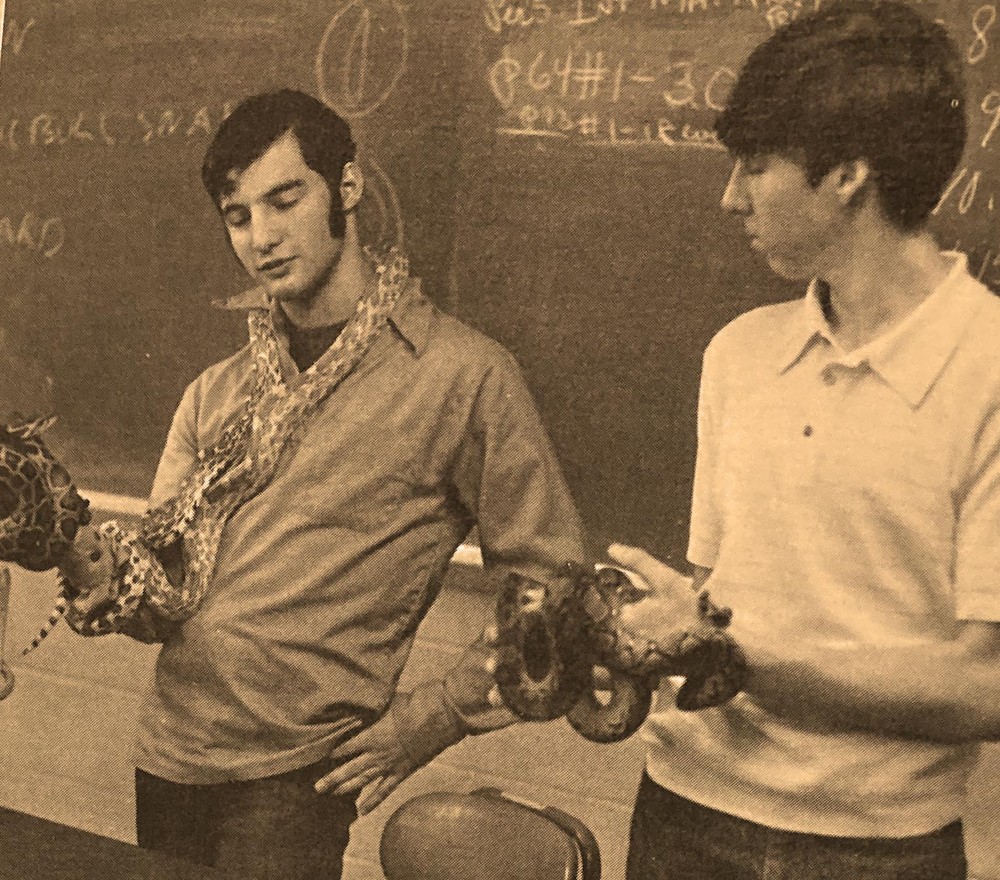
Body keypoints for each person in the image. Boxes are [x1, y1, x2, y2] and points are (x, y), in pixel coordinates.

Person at [62, 88, 581, 880]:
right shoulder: (217, 392)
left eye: (285, 200)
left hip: (294, 777)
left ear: (347, 187)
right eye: (238, 216)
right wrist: (90, 566)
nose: (262, 237)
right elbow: (161, 598)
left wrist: (435, 716)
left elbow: (553, 584)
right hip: (169, 752)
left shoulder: (461, 376)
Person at [605, 2, 1000, 878]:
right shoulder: (739, 354)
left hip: (875, 848)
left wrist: (737, 658)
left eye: (755, 166)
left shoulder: (990, 372)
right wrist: (637, 644)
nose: (730, 197)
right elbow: (714, 607)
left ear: (849, 174)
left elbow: (988, 687)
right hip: (681, 812)